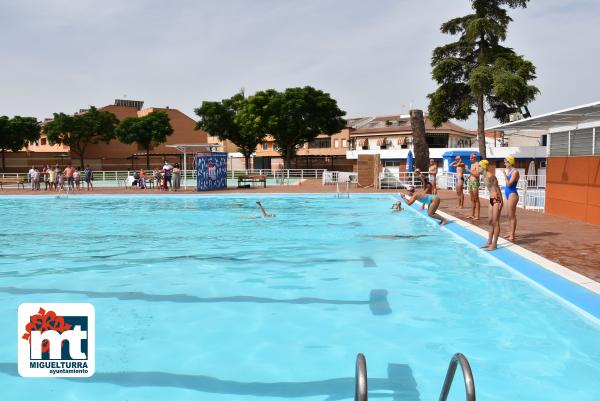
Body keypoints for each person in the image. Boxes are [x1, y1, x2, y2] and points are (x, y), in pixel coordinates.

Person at [479, 159, 503, 251]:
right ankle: (489, 242)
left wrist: (502, 202)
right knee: (490, 221)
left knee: (495, 222)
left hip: (496, 199)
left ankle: (495, 244)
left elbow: (497, 188)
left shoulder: (490, 176)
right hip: (491, 199)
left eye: (480, 166)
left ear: (484, 167)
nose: (478, 168)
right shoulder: (484, 177)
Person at [503, 155, 520, 241]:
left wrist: (505, 175)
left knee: (512, 215)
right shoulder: (509, 171)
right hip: (507, 194)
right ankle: (510, 232)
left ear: (510, 162)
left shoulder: (515, 172)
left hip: (512, 194)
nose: (504, 163)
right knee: (507, 215)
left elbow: (509, 184)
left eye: (506, 162)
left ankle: (512, 235)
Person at [465, 154, 481, 221]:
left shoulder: (478, 164)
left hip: (475, 183)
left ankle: (477, 215)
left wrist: (468, 170)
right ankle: (472, 214)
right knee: (472, 199)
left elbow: (477, 174)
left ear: (475, 158)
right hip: (470, 182)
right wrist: (469, 176)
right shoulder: (471, 165)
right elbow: (473, 173)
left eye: (472, 158)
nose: (470, 159)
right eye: (470, 158)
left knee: (476, 199)